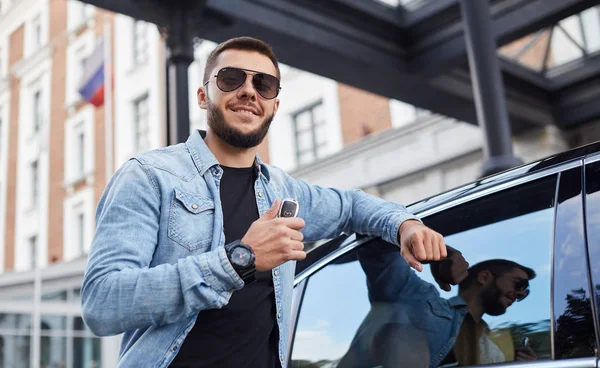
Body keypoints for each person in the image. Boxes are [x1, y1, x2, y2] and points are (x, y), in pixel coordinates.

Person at [81, 36, 448, 368]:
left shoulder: (282, 191)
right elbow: (102, 303)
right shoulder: (149, 176)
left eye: (263, 84)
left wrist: (404, 224)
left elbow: (351, 206)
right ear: (203, 95)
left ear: (273, 105)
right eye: (230, 79)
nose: (248, 91)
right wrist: (239, 259)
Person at [337, 239, 538, 368]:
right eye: (519, 284)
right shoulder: (417, 300)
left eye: (525, 292)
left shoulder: (498, 349)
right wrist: (432, 248)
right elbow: (373, 245)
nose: (520, 293)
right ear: (485, 277)